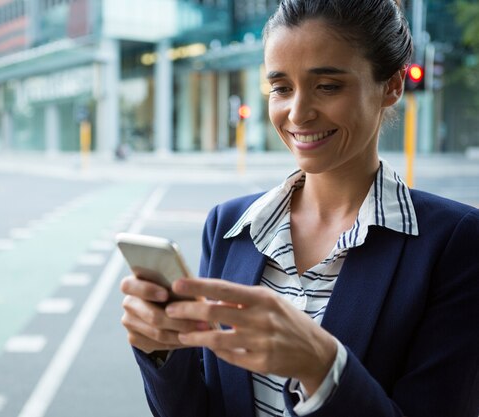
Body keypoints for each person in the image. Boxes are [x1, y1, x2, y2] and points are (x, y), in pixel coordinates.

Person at [119, 0, 479, 416]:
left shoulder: (456, 243)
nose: (298, 112)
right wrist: (161, 349)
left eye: (327, 86)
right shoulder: (229, 226)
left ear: (392, 85)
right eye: (281, 87)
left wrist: (322, 367)